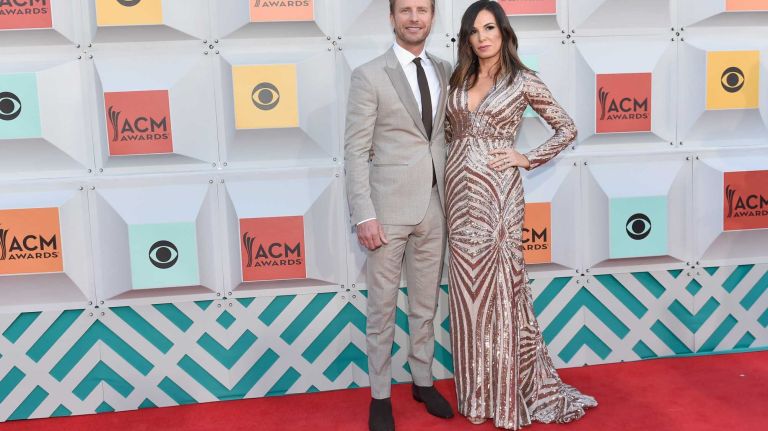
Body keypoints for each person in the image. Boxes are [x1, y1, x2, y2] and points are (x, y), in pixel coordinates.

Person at [444, 1, 597, 429]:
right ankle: (476, 395)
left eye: (490, 28)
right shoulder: (458, 77)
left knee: (498, 294)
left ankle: (506, 391)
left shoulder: (523, 79)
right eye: (474, 31)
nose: (482, 37)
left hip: (498, 199)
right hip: (457, 199)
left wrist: (526, 158)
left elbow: (567, 128)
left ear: (504, 32)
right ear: (466, 38)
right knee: (466, 297)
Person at [344, 1, 455, 430]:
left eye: (422, 10)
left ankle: (423, 380)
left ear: (432, 17)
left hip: (436, 205)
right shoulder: (369, 75)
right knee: (382, 308)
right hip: (386, 212)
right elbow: (355, 151)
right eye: (405, 9)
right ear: (391, 18)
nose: (414, 18)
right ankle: (379, 394)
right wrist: (363, 215)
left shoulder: (446, 70)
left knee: (425, 303)